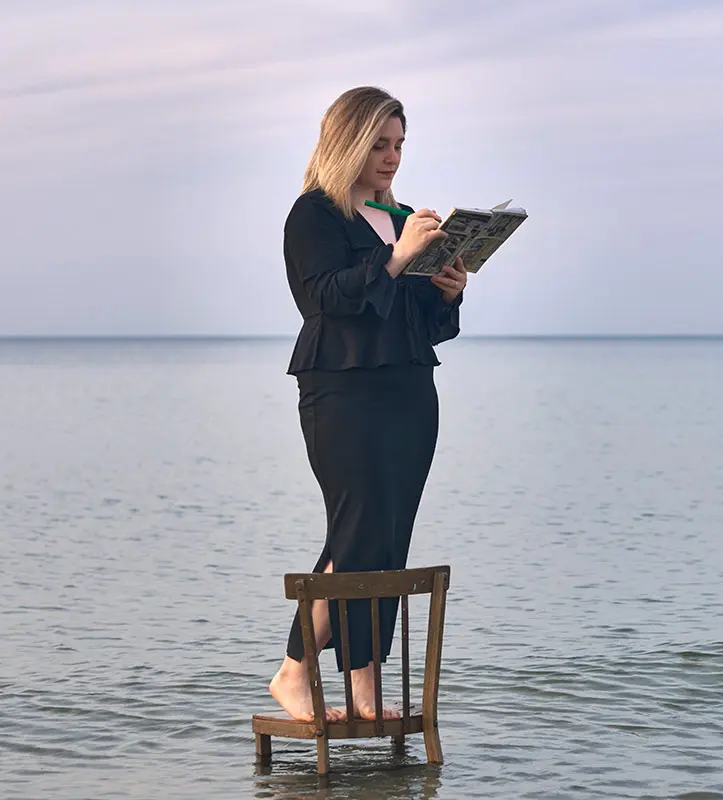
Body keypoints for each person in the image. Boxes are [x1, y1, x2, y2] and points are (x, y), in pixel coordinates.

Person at [269, 86, 467, 723]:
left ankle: (362, 690)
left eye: (400, 144)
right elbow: (325, 300)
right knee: (355, 534)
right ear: (347, 142)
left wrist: (446, 292)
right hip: (341, 391)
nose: (392, 157)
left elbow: (421, 324)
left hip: (410, 389)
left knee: (387, 538)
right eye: (380, 144)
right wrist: (400, 255)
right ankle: (294, 671)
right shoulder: (314, 216)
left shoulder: (403, 215)